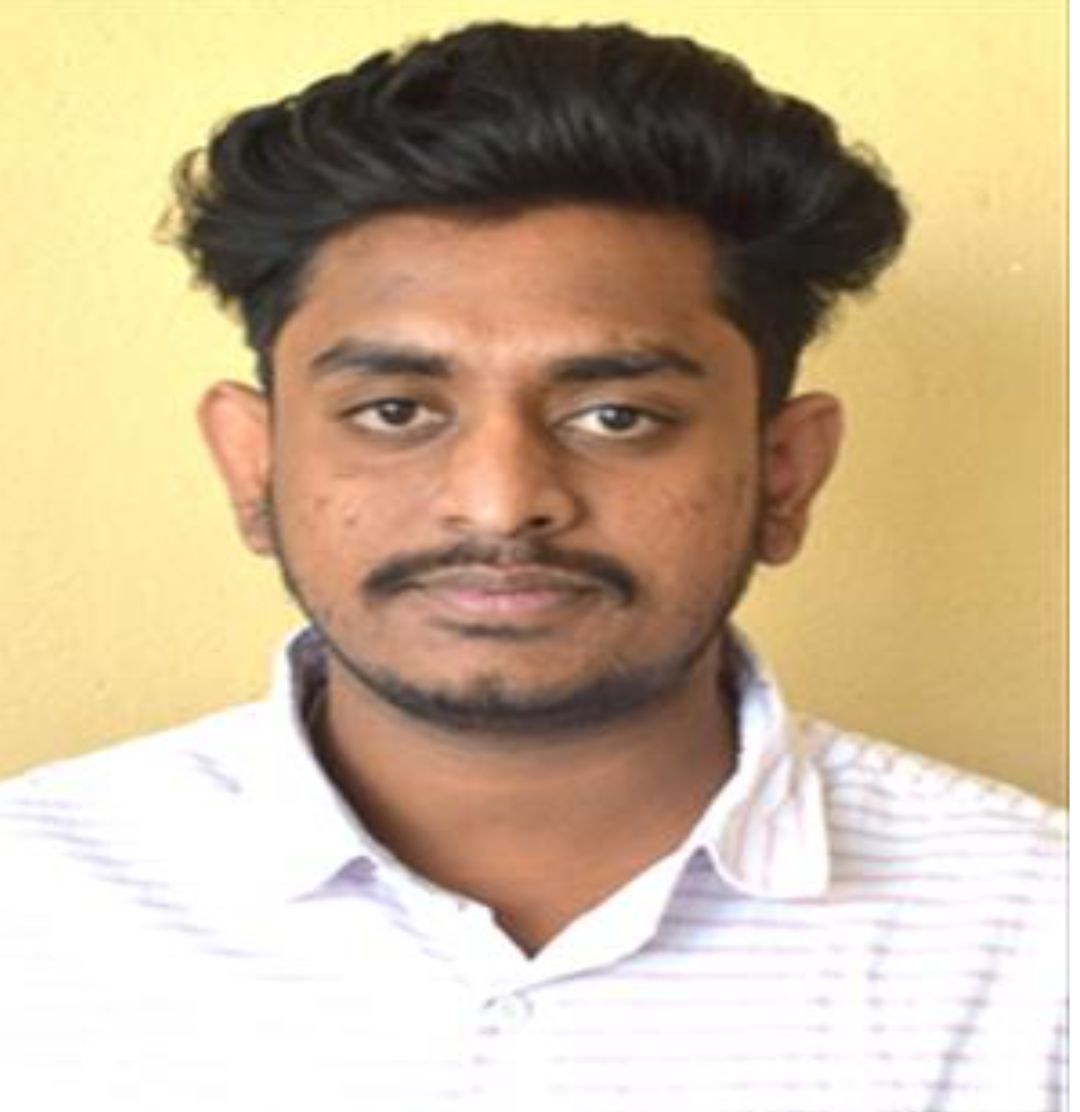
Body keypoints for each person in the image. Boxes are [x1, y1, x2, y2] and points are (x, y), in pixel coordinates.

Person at [1, 21, 1064, 1112]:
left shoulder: (1039, 942)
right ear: (254, 466)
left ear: (785, 472)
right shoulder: (26, 910)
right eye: (396, 410)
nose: (503, 502)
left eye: (617, 415)